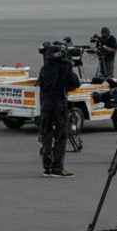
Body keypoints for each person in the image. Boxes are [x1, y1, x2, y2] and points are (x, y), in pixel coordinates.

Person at [37, 45, 79, 177]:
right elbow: (75, 83)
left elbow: (41, 84)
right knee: (61, 136)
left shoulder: (44, 68)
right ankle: (57, 168)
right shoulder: (65, 67)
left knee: (46, 135)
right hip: (59, 105)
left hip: (46, 105)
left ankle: (47, 167)